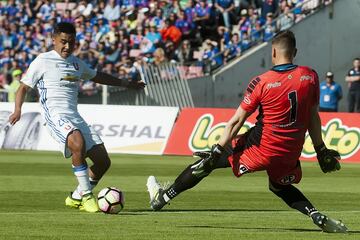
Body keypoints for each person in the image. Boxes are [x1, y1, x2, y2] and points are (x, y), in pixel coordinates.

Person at [146, 30, 348, 233]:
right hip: (290, 151)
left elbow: (236, 122)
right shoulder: (310, 76)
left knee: (206, 163)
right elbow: (313, 116)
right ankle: (315, 214)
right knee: (279, 186)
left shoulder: (261, 82)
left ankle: (162, 198)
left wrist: (216, 150)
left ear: (273, 52)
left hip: (260, 147)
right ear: (295, 51)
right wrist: (320, 149)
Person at [8, 22, 145, 213]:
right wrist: (17, 110)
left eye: (71, 43)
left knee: (103, 161)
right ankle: (88, 197)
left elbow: (98, 77)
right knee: (77, 142)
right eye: (63, 42)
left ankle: (76, 197)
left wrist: (127, 84)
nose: (67, 46)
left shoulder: (76, 63)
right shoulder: (42, 60)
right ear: (53, 40)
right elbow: (23, 87)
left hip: (75, 116)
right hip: (54, 115)